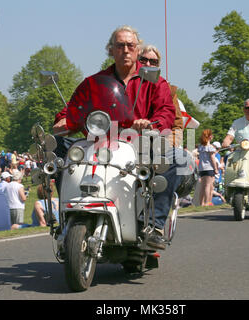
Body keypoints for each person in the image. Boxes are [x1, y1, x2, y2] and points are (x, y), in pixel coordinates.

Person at [53, 25, 180, 250]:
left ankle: (154, 224)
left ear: (137, 48)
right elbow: (75, 107)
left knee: (174, 158)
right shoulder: (95, 82)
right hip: (100, 141)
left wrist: (151, 123)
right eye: (119, 45)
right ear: (110, 50)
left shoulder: (153, 80)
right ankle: (66, 216)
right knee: (59, 150)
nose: (125, 50)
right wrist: (63, 120)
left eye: (130, 45)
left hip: (139, 140)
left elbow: (167, 110)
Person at [139, 44, 184, 147]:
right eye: (143, 60)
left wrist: (170, 143)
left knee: (181, 159)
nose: (148, 64)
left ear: (158, 65)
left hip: (159, 143)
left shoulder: (168, 90)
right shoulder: (127, 84)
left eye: (153, 61)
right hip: (130, 140)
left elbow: (177, 126)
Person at [197, 129, 219, 206]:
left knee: (202, 186)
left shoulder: (200, 147)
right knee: (208, 186)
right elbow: (212, 159)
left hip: (201, 168)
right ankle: (207, 202)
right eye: (211, 135)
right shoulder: (210, 147)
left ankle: (201, 203)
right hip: (209, 168)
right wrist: (216, 169)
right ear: (209, 137)